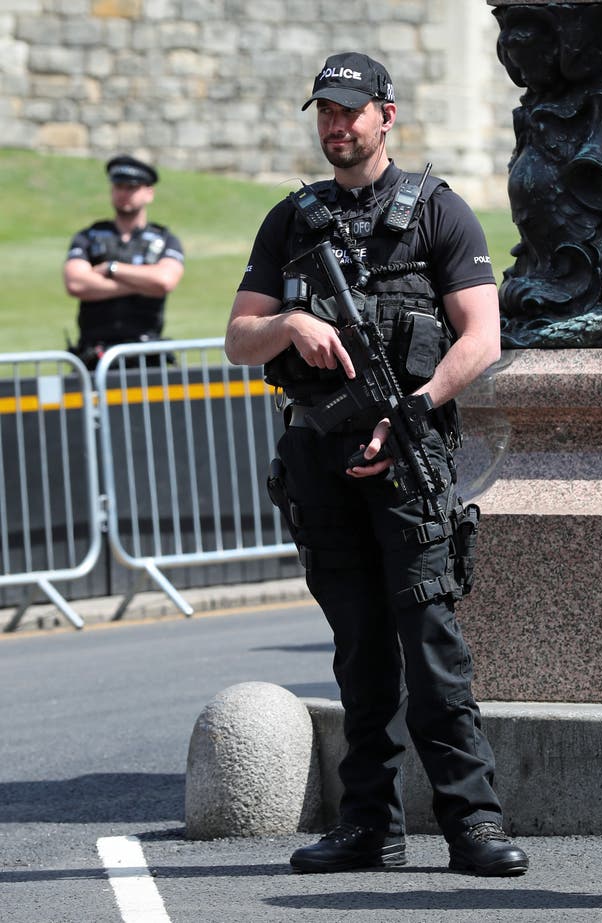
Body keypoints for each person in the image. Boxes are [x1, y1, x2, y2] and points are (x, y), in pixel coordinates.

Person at [225, 52, 529, 877]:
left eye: (350, 110)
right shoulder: (291, 220)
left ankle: (473, 821)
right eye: (324, 110)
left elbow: (482, 337)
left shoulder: (438, 212)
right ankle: (368, 824)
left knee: (431, 647)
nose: (335, 124)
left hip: (410, 454)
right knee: (358, 649)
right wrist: (290, 323)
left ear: (386, 115)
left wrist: (413, 412)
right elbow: (237, 337)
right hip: (320, 460)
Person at [63, 154, 185, 368]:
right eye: (119, 186)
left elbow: (164, 281)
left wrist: (111, 268)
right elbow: (76, 283)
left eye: (132, 187)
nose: (124, 193)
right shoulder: (88, 237)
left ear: (149, 193)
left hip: (145, 356)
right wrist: (141, 282)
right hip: (94, 357)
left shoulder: (165, 239)